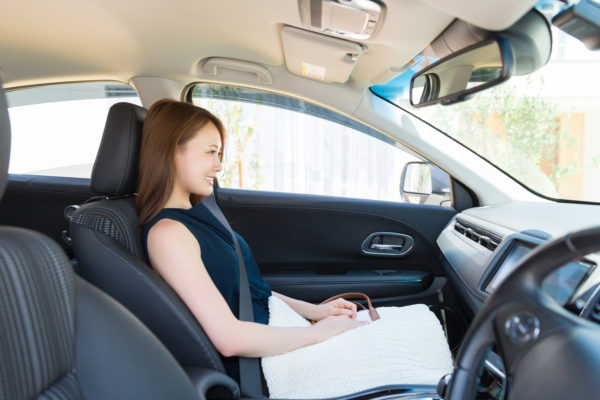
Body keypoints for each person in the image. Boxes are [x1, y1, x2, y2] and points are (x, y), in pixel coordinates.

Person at [137, 99, 368, 385]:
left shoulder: (197, 214)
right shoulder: (168, 233)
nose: (218, 165)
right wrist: (317, 333)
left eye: (219, 153)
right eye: (211, 152)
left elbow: (246, 289)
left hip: (275, 335)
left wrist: (316, 311)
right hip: (257, 368)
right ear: (171, 151)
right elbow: (229, 338)